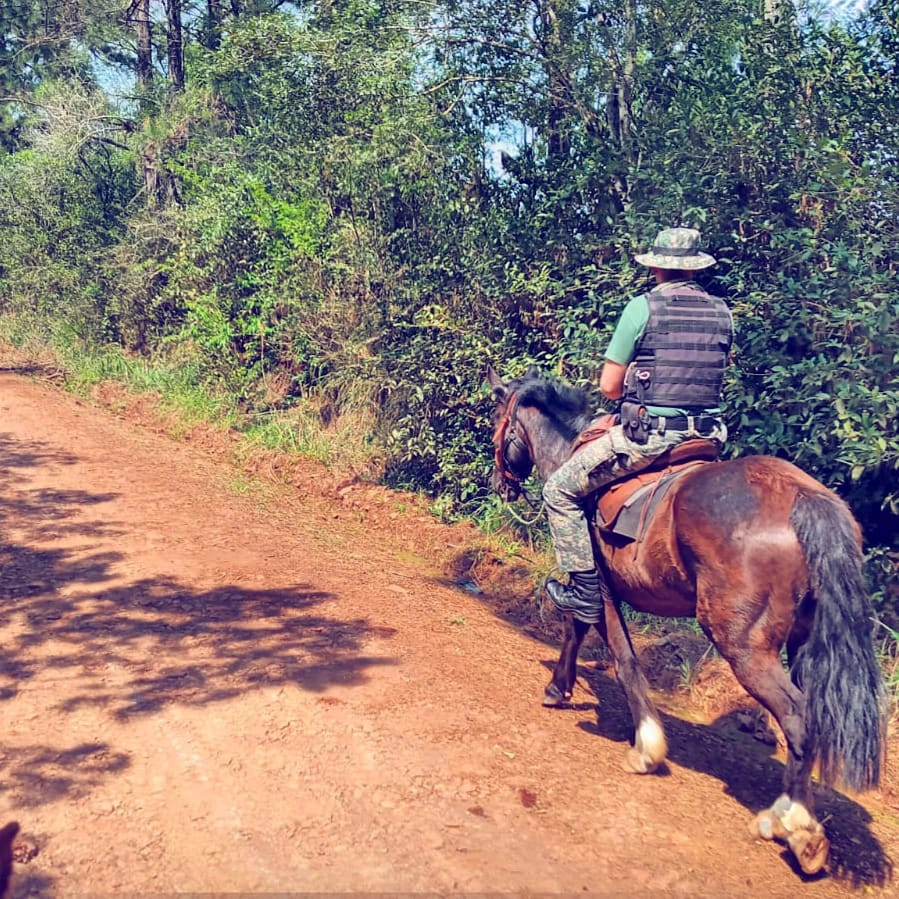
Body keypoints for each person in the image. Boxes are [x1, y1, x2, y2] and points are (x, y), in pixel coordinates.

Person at [543, 226, 733, 623]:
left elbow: (609, 387)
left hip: (654, 438)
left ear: (656, 268)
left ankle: (584, 592)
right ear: (695, 268)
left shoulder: (642, 308)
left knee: (558, 490)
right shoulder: (722, 312)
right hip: (709, 437)